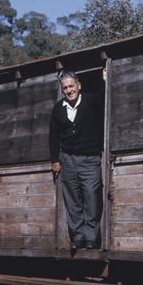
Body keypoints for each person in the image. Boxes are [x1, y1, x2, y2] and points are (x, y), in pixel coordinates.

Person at [48, 71, 104, 250]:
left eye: (71, 86)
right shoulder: (58, 108)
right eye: (65, 88)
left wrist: (105, 77)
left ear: (78, 86)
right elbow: (53, 136)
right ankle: (78, 237)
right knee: (73, 200)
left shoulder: (92, 102)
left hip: (90, 159)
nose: (69, 90)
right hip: (68, 160)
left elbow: (107, 95)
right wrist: (55, 160)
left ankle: (91, 237)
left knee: (91, 196)